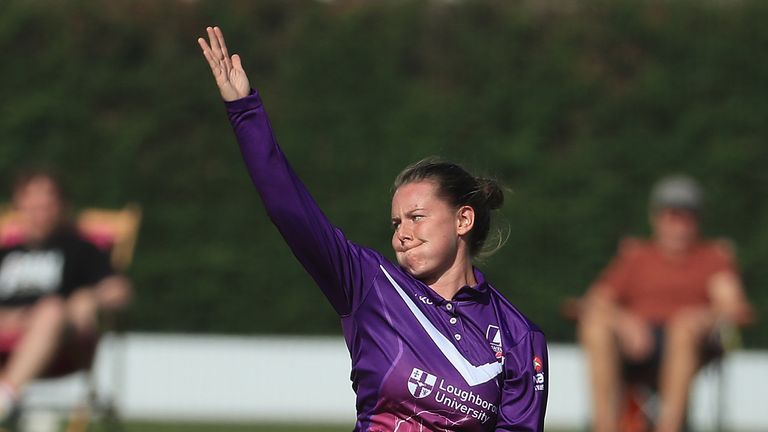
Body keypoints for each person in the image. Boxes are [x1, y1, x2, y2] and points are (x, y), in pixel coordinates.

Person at [198, 26, 548, 431]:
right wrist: (245, 110)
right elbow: (288, 209)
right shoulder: (369, 286)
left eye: (417, 217)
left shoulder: (519, 336)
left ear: (463, 220)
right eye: (396, 222)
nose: (402, 232)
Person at [578, 175, 752, 432]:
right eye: (671, 215)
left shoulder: (712, 258)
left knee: (682, 327)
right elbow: (594, 300)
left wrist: (701, 317)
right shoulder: (637, 257)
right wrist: (623, 321)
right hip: (636, 344)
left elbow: (734, 306)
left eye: (687, 217)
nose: (679, 226)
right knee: (595, 326)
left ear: (697, 221)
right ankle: (604, 427)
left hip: (690, 344)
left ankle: (668, 427)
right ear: (656, 218)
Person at [0, 169, 131, 420]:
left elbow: (119, 291)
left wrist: (91, 298)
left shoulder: (79, 248)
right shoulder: (6, 251)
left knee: (51, 309)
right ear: (18, 205)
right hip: (5, 332)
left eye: (46, 203)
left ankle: (5, 399)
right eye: (31, 203)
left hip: (61, 344)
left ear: (61, 205)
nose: (39, 211)